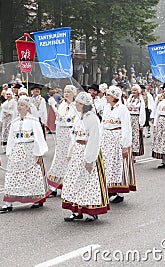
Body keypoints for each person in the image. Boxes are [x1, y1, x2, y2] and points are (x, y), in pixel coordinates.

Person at [61, 92, 109, 222]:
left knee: (88, 182)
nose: (75, 104)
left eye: (78, 102)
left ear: (83, 105)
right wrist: (71, 152)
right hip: (78, 151)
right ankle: (76, 210)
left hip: (87, 151)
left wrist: (89, 159)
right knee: (74, 180)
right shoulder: (79, 117)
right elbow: (74, 136)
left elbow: (94, 139)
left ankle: (91, 211)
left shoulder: (92, 118)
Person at [0, 96, 49, 212]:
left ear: (27, 107)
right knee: (13, 175)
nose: (19, 107)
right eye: (18, 104)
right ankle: (8, 202)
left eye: (22, 105)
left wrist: (38, 153)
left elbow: (39, 137)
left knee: (31, 174)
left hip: (29, 149)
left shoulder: (33, 121)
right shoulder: (14, 121)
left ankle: (36, 198)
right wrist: (9, 151)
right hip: (17, 150)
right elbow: (11, 137)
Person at [100, 86, 134, 203]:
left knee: (118, 164)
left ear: (114, 97)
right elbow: (102, 124)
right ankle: (108, 189)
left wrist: (125, 145)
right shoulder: (106, 108)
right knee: (107, 164)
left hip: (117, 138)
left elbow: (126, 127)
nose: (106, 97)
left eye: (108, 95)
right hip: (106, 139)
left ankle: (119, 191)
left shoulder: (123, 109)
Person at [47, 85, 78, 196]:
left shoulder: (76, 106)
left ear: (74, 94)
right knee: (58, 160)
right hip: (61, 136)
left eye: (69, 92)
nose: (66, 94)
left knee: (70, 160)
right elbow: (58, 123)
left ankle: (69, 186)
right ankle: (54, 186)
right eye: (65, 92)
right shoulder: (62, 106)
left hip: (71, 136)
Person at [126, 84, 146, 158]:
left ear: (138, 91)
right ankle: (128, 151)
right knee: (128, 135)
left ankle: (134, 154)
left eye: (135, 90)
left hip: (136, 118)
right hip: (129, 117)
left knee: (135, 136)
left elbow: (142, 112)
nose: (133, 91)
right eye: (132, 90)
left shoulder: (140, 100)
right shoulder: (129, 98)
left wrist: (141, 123)